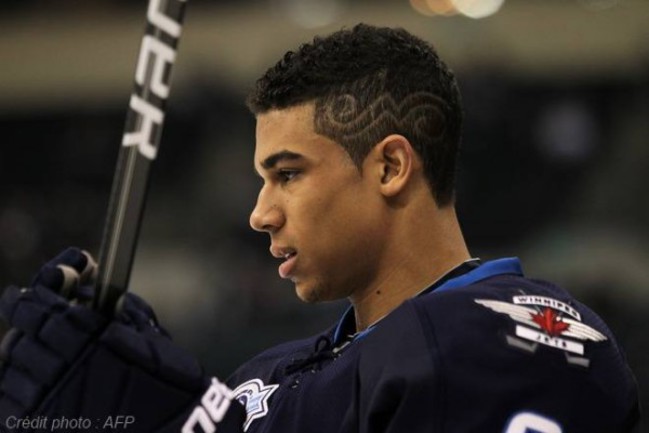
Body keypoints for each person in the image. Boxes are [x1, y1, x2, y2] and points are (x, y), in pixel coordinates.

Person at [0, 23, 641, 433]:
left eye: (288, 174)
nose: (260, 213)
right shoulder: (267, 374)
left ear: (390, 167)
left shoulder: (512, 335)